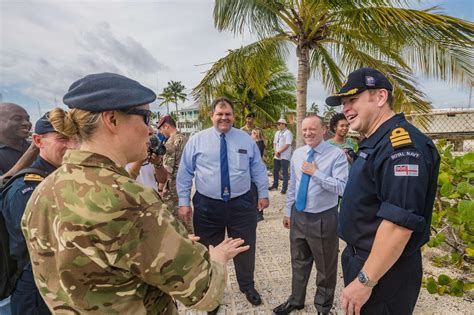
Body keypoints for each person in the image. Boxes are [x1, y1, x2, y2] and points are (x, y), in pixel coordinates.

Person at [21, 73, 250, 314]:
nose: (151, 130)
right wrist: (217, 256)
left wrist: (164, 241)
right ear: (112, 119)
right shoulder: (132, 201)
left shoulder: (43, 191)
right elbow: (204, 294)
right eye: (146, 117)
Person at [325, 67, 440, 315]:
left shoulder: (401, 146)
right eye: (343, 102)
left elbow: (399, 224)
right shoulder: (376, 141)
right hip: (366, 260)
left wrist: (365, 280)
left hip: (384, 271)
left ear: (380, 98)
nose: (345, 108)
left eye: (353, 99)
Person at [177, 97, 269, 314]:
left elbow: (257, 168)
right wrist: (183, 202)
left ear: (233, 116)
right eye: (219, 114)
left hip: (241, 204)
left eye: (228, 114)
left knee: (244, 247)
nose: (224, 118)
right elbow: (184, 173)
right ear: (211, 116)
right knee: (210, 251)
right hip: (208, 206)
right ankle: (213, 293)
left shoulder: (246, 140)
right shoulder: (197, 140)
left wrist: (263, 193)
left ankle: (247, 286)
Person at [1, 113, 77, 315]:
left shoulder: (65, 177)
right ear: (38, 141)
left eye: (75, 138)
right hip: (37, 287)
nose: (72, 145)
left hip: (64, 281)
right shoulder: (26, 188)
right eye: (62, 138)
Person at [273, 115, 348, 315]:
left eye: (312, 129)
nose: (307, 133)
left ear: (324, 130)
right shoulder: (298, 154)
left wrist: (317, 173)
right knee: (298, 261)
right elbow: (293, 187)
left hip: (323, 218)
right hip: (299, 215)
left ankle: (323, 308)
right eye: (304, 129)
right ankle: (296, 300)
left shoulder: (336, 155)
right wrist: (288, 211)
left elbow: (342, 188)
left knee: (325, 266)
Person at [154, 115, 190, 231]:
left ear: (167, 126)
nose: (161, 132)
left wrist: (160, 189)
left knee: (175, 226)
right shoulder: (185, 139)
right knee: (187, 222)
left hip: (173, 191)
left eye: (161, 128)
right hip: (185, 187)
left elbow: (167, 171)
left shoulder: (170, 144)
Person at [0, 103, 32, 176]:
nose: (26, 123)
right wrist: (33, 151)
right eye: (17, 119)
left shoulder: (36, 146)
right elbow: (3, 185)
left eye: (28, 119)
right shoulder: (34, 148)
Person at [270, 118, 293, 194]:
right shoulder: (277, 133)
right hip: (277, 155)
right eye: (277, 124)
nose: (278, 125)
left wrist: (279, 151)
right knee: (275, 171)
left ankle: (284, 188)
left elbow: (287, 144)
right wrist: (275, 151)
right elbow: (274, 143)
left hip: (284, 156)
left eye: (279, 124)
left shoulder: (288, 133)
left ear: (283, 124)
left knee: (284, 172)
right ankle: (275, 185)